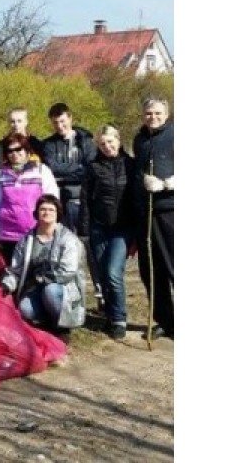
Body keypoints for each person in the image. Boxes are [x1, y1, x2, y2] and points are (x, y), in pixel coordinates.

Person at [0, 195, 86, 343]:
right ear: (36, 213)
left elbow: (68, 272)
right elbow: (16, 269)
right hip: (35, 289)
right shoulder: (26, 240)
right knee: (25, 308)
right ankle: (47, 320)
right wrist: (7, 284)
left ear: (58, 213)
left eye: (51, 210)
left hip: (61, 289)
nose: (47, 213)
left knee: (50, 291)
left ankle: (61, 327)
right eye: (43, 209)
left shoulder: (69, 239)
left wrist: (43, 278)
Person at [78, 125, 136, 340]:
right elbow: (85, 200)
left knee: (113, 273)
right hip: (99, 227)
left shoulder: (130, 165)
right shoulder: (93, 168)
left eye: (110, 142)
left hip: (122, 228)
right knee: (103, 274)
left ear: (119, 141)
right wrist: (84, 231)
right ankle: (110, 316)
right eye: (102, 144)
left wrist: (138, 232)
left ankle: (120, 318)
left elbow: (137, 200)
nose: (107, 146)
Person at [41, 102, 100, 306]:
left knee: (88, 248)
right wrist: (75, 171)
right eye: (55, 122)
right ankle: (66, 295)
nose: (59, 125)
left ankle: (100, 293)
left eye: (63, 121)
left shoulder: (86, 141)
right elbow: (51, 168)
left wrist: (66, 173)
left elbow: (90, 168)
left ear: (70, 118)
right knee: (61, 249)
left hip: (82, 202)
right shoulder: (49, 144)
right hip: (60, 203)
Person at [132, 98, 174, 340]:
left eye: (157, 113)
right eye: (148, 113)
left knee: (174, 266)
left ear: (166, 113)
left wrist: (169, 183)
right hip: (146, 213)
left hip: (171, 210)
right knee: (151, 270)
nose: (152, 117)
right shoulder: (140, 139)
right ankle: (166, 321)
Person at [0, 133, 59, 270]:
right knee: (10, 278)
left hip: (35, 233)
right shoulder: (0, 175)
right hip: (7, 236)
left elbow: (53, 203)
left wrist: (50, 229)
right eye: (10, 150)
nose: (15, 154)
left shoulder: (42, 171)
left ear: (27, 150)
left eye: (19, 149)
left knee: (34, 277)